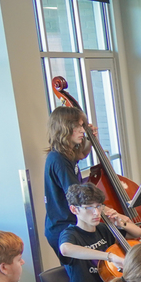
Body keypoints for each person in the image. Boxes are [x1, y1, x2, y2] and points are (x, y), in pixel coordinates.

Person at [59, 183, 141, 282]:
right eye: (89, 207)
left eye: (98, 206)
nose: (96, 213)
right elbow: (66, 249)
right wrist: (110, 257)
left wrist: (120, 223)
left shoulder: (103, 228)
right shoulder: (71, 233)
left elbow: (138, 233)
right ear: (74, 209)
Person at [44, 105, 92, 256]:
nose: (83, 131)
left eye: (82, 126)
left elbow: (82, 154)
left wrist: (91, 140)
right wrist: (102, 207)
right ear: (65, 128)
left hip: (67, 223)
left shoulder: (66, 154)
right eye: (78, 127)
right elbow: (76, 194)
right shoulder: (59, 159)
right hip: (63, 227)